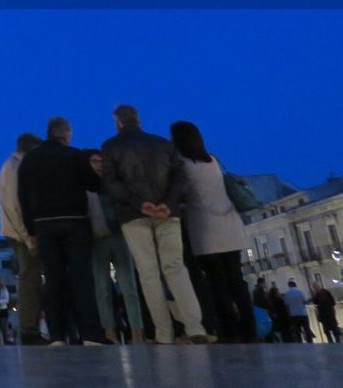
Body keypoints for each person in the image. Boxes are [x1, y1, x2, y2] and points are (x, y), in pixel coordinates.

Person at [101, 104, 207, 344]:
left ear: (117, 122)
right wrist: (168, 203)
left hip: (133, 216)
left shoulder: (111, 146)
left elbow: (111, 184)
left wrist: (140, 204)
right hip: (167, 214)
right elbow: (179, 178)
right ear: (138, 120)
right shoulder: (163, 144)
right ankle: (194, 327)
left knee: (148, 274)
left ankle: (164, 333)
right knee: (176, 268)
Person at [18, 117, 107, 346]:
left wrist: (31, 229)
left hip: (44, 225)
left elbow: (23, 197)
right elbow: (94, 185)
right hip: (75, 222)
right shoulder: (75, 155)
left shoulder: (30, 160)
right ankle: (90, 333)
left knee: (53, 280)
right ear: (66, 134)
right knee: (82, 279)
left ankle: (57, 335)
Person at [169, 121, 255, 343]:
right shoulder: (213, 161)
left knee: (217, 282)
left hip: (204, 227)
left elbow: (183, 194)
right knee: (237, 280)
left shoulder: (182, 164)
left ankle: (229, 330)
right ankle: (249, 329)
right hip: (229, 224)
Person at [85, 149, 145, 344]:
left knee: (128, 286)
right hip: (100, 238)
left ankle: (137, 330)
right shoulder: (92, 186)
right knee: (103, 288)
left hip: (117, 235)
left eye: (101, 161)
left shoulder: (107, 185)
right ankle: (109, 331)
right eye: (94, 161)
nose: (99, 164)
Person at [0, 132, 46, 344]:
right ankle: (28, 330)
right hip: (20, 233)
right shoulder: (14, 167)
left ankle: (31, 328)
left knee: (32, 279)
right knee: (29, 280)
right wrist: (28, 236)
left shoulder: (14, 166)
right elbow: (13, 205)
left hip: (20, 232)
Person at [0, 275, 11, 344]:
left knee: (3, 328)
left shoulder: (3, 289)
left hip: (3, 310)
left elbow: (6, 300)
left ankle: (5, 343)